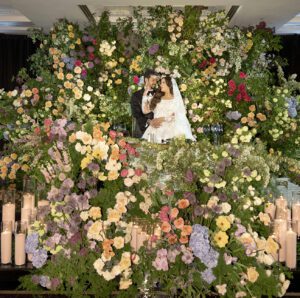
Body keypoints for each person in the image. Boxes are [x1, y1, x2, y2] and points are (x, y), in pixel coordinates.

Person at [141, 76, 196, 143]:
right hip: (154, 129)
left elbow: (178, 116)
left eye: (163, 83)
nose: (161, 85)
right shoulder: (157, 98)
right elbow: (145, 111)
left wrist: (161, 119)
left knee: (167, 149)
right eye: (161, 83)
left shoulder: (176, 100)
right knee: (150, 148)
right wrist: (145, 94)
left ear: (170, 85)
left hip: (170, 130)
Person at [131, 69, 163, 138]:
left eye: (156, 80)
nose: (155, 82)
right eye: (153, 80)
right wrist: (149, 122)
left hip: (160, 129)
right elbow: (136, 114)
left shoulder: (159, 94)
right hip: (142, 130)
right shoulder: (136, 95)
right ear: (146, 80)